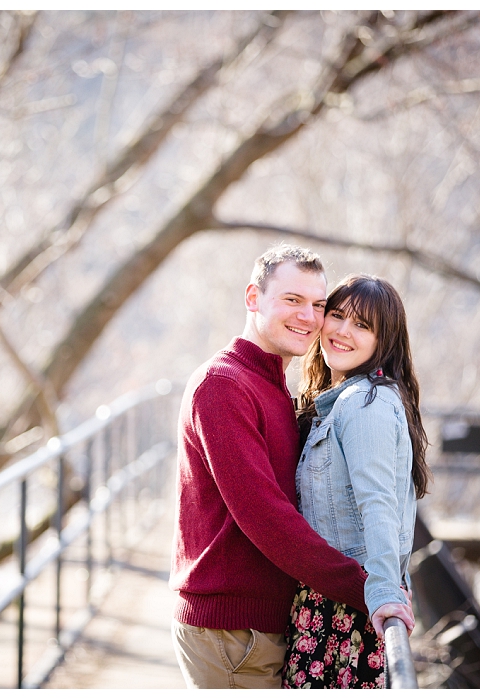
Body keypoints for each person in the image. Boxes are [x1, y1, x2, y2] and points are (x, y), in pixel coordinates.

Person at [170, 244, 371, 689]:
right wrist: (366, 589)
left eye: (318, 305)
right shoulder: (223, 386)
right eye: (293, 300)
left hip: (260, 626)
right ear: (253, 297)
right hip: (232, 631)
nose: (308, 317)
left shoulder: (273, 385)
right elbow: (266, 515)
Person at [281, 274, 426, 689]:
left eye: (362, 325)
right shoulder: (342, 400)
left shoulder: (367, 403)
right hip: (329, 601)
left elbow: (379, 505)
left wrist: (385, 591)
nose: (343, 331)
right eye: (338, 315)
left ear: (384, 341)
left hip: (347, 609)